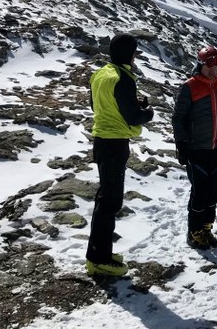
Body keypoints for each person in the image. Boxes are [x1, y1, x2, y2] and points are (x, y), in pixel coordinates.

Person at [85, 33, 154, 277]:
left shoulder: (101, 74)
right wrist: (148, 112)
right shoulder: (123, 78)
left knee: (105, 198)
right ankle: (99, 259)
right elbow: (133, 117)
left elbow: (96, 105)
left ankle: (100, 252)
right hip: (115, 142)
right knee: (110, 201)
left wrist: (131, 105)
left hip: (102, 139)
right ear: (129, 53)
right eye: (134, 52)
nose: (135, 57)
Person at [172, 45, 217, 249]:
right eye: (209, 66)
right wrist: (181, 144)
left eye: (216, 67)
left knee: (213, 193)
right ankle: (194, 232)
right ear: (200, 64)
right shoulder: (190, 86)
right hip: (195, 149)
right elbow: (178, 118)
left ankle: (206, 228)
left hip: (214, 148)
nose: (213, 70)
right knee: (199, 193)